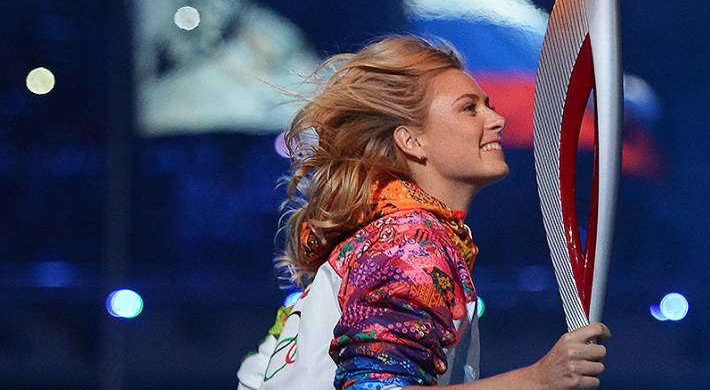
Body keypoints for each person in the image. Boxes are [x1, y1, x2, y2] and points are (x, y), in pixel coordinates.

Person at [237, 35, 610, 390]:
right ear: (411, 141)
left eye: (488, 106)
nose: (497, 121)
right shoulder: (410, 242)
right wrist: (536, 380)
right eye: (469, 109)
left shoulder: (389, 234)